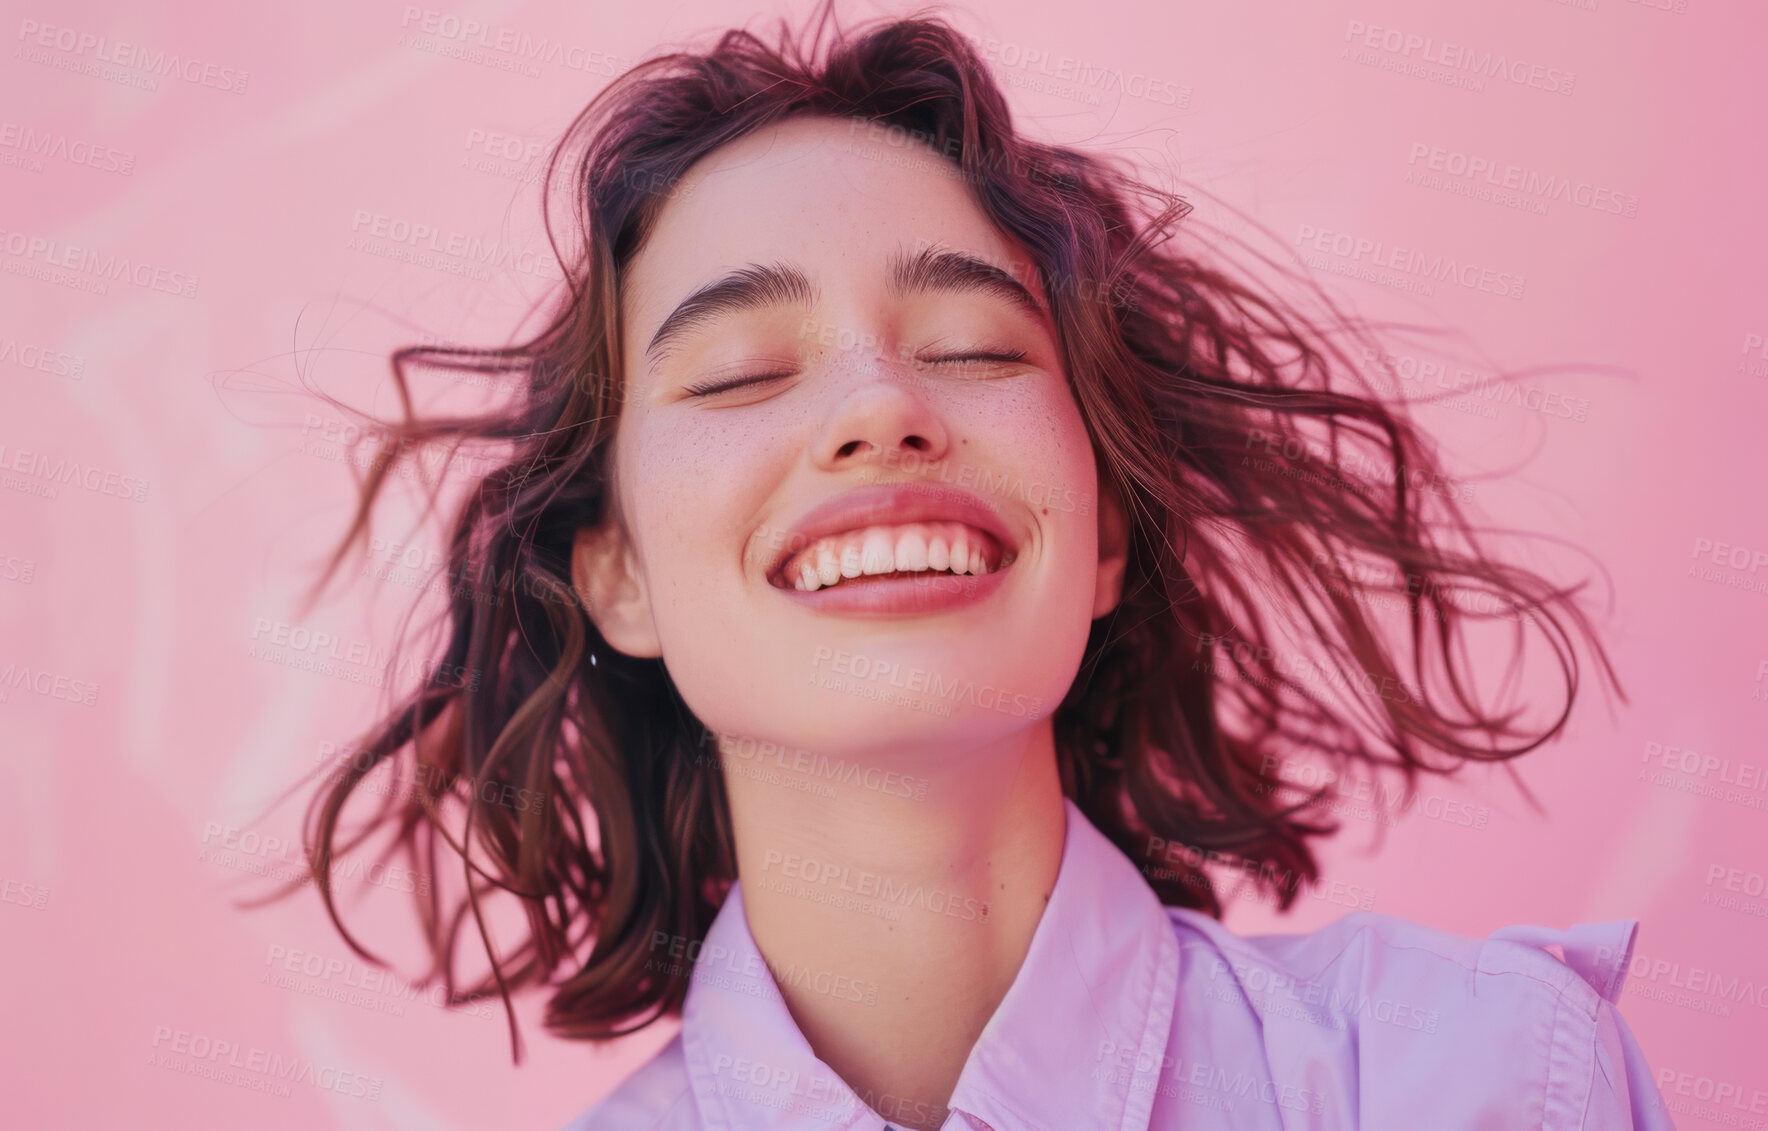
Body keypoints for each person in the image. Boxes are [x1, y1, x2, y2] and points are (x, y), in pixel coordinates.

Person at [294, 3, 1676, 1127]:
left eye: (974, 347)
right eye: (738, 373)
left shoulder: (1477, 1079)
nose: (879, 406)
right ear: (618, 578)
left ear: (1106, 534)